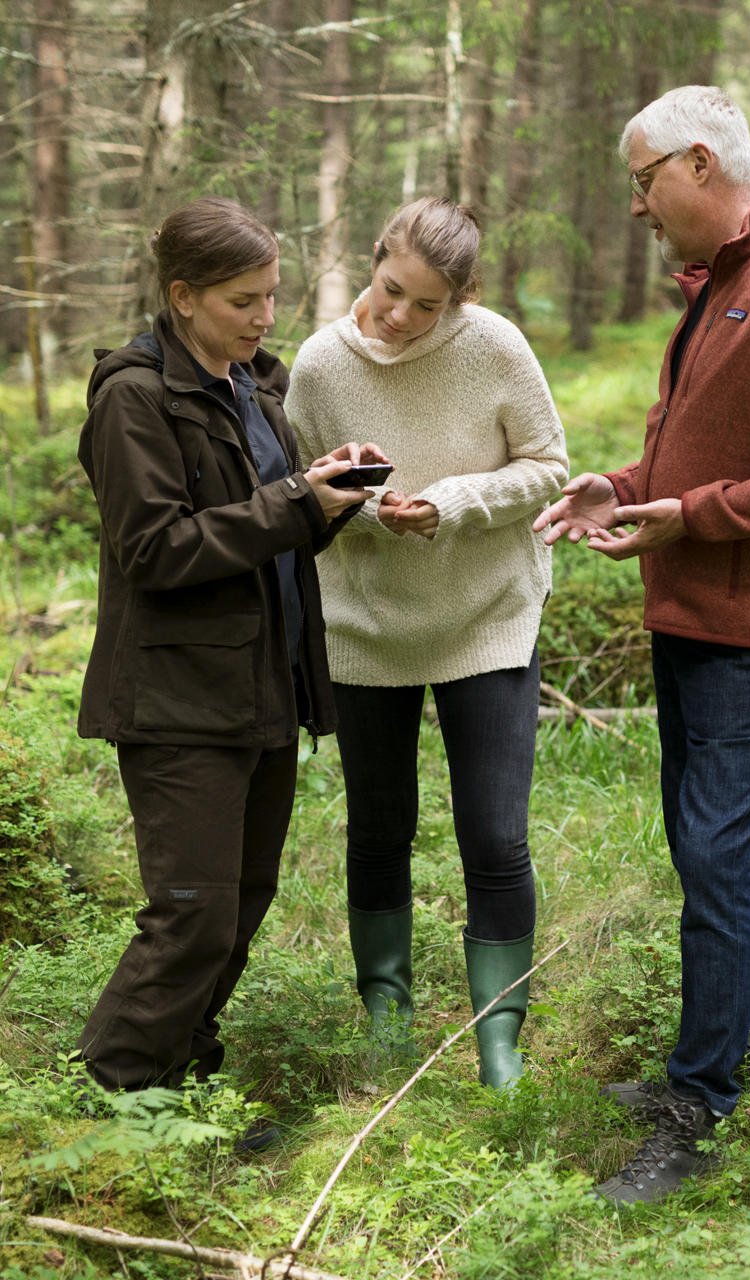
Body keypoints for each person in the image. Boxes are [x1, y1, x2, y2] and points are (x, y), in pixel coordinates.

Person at [533, 85, 750, 1203]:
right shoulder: (717, 288)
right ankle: (705, 1059)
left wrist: (695, 516)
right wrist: (625, 488)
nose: (635, 206)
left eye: (641, 182)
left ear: (694, 165)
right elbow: (700, 453)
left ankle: (701, 1103)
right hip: (684, 614)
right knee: (698, 852)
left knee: (717, 856)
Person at [74, 197, 384, 1108]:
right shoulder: (134, 397)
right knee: (191, 915)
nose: (265, 317)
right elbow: (157, 551)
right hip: (178, 699)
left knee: (241, 903)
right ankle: (108, 1100)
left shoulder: (255, 388)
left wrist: (330, 498)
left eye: (271, 296)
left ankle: (177, 1088)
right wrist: (296, 502)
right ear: (183, 296)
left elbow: (269, 539)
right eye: (244, 300)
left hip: (262, 691)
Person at [285, 196, 568, 1086]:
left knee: (495, 837)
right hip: (366, 625)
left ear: (462, 299)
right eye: (390, 289)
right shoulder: (321, 366)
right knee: (378, 829)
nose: (400, 317)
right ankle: (388, 1020)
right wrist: (368, 507)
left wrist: (448, 503)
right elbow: (299, 493)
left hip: (487, 616)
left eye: (426, 305)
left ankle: (498, 1040)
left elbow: (549, 467)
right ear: (373, 262)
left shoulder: (495, 347)